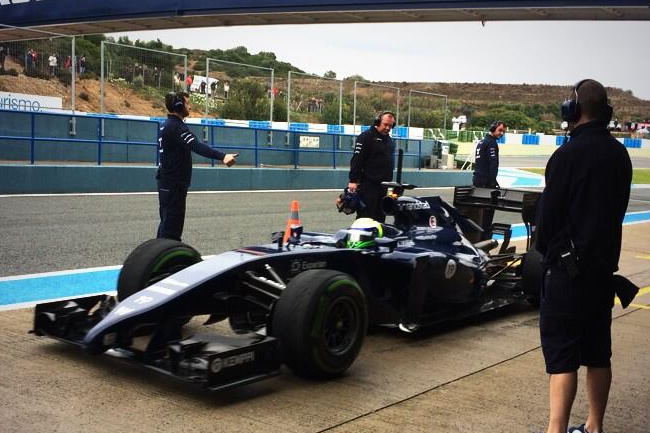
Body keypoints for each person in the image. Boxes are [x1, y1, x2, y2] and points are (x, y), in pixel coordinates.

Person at [536, 79, 632, 433]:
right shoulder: (619, 154)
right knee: (597, 353)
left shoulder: (566, 156)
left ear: (574, 111)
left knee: (562, 359)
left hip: (566, 275)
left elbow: (547, 223)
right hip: (602, 273)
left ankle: (555, 429)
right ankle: (594, 427)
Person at [156, 91, 238, 241]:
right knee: (171, 233)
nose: (189, 106)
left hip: (168, 183)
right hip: (174, 185)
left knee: (166, 226)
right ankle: (167, 261)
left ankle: (158, 256)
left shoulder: (166, 125)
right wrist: (223, 156)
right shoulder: (176, 127)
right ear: (178, 105)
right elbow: (196, 146)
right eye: (187, 103)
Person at [348, 111, 396, 222]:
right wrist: (353, 180)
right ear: (378, 122)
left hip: (384, 186)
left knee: (380, 218)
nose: (388, 128)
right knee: (365, 217)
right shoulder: (366, 137)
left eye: (390, 125)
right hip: (368, 185)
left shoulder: (389, 141)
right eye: (385, 124)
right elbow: (357, 159)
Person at [473, 120, 505, 188]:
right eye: (500, 130)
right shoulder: (491, 143)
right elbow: (493, 163)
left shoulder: (481, 142)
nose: (502, 133)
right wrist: (493, 181)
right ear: (493, 129)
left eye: (503, 131)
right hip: (486, 181)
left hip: (476, 179)